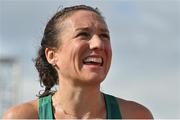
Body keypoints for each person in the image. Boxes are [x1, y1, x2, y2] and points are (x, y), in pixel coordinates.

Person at [3, 5, 153, 119]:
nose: (98, 44)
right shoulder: (22, 117)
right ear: (52, 55)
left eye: (104, 35)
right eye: (83, 34)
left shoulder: (135, 116)